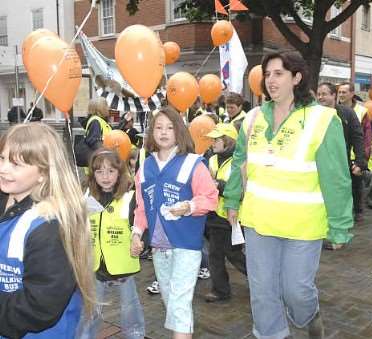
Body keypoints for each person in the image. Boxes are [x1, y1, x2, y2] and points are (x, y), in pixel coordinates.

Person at [224, 51, 353, 339]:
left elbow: (337, 178)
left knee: (296, 290)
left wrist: (340, 226)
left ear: (296, 77)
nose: (270, 80)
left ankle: (308, 315)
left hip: (303, 226)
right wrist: (232, 199)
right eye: (267, 74)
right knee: (262, 291)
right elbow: (238, 161)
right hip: (259, 221)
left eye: (279, 73)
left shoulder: (323, 119)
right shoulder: (252, 118)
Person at [0, 123, 94, 338]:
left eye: (16, 164)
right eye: (2, 158)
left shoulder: (49, 226)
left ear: (43, 172)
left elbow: (39, 307)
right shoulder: (9, 197)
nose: (4, 168)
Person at [131, 106, 218, 338]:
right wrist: (136, 234)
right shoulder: (145, 168)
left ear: (179, 131)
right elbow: (142, 207)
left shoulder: (193, 164)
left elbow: (210, 198)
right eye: (158, 127)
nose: (163, 132)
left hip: (186, 246)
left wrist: (188, 206)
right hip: (160, 248)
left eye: (170, 127)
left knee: (178, 303)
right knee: (171, 302)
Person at [77, 148, 145, 338]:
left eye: (111, 171)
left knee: (130, 310)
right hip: (95, 267)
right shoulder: (86, 197)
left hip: (123, 266)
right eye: (99, 171)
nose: (105, 177)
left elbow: (141, 225)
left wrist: (139, 241)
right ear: (93, 174)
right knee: (90, 312)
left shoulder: (130, 197)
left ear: (119, 172)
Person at [316, 82, 366, 250]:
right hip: (318, 164)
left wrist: (360, 162)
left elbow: (358, 137)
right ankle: (322, 232)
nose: (321, 97)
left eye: (325, 94)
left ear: (334, 95)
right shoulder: (313, 114)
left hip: (340, 164)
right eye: (319, 94)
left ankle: (338, 236)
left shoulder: (346, 113)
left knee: (339, 199)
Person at [204, 123, 247, 303]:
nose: (212, 142)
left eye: (217, 139)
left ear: (228, 141)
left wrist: (218, 185)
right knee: (215, 254)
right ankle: (220, 290)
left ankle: (264, 282)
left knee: (234, 254)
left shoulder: (241, 161)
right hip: (214, 215)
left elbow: (243, 189)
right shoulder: (212, 159)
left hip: (232, 216)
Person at [338, 82, 372, 223]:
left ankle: (358, 210)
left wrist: (362, 158)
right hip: (340, 155)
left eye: (344, 92)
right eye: (339, 92)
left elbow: (365, 135)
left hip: (355, 156)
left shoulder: (361, 111)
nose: (341, 95)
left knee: (356, 185)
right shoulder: (333, 110)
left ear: (352, 94)